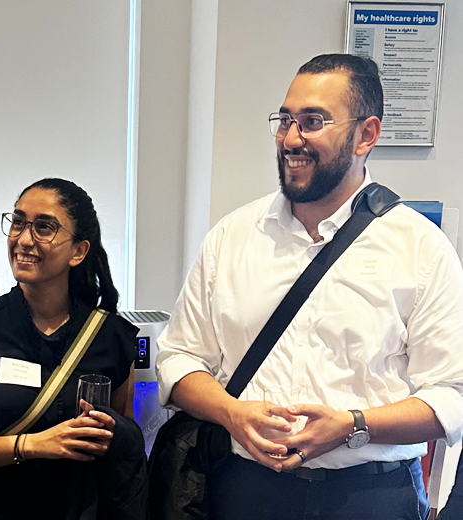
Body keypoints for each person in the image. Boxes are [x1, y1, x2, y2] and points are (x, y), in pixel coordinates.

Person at [156, 53, 463, 520]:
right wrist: (230, 412)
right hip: (245, 489)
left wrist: (353, 426)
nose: (290, 139)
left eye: (313, 121)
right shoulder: (232, 236)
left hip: (371, 497)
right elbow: (179, 358)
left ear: (367, 135)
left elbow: (451, 393)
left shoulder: (420, 247)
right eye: (285, 120)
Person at [0, 178, 148, 519]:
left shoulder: (111, 338)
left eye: (44, 227)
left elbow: (123, 437)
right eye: (18, 222)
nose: (24, 239)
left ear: (78, 251)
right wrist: (33, 444)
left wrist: (111, 434)